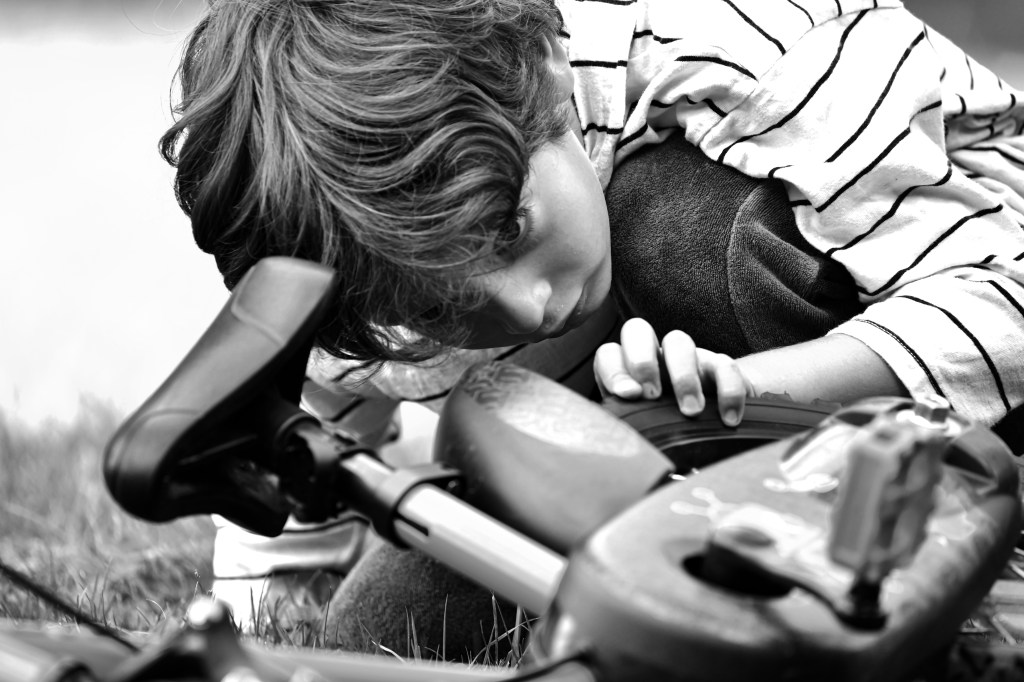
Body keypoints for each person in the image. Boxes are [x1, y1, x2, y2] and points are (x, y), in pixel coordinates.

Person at [159, 0, 1024, 656]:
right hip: (649, 444)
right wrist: (250, 621)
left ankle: (943, 582)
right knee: (381, 631)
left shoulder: (748, 49)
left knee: (662, 228)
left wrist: (744, 392)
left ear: (545, 76)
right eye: (438, 308)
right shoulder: (367, 289)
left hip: (953, 391)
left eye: (513, 230)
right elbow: (305, 440)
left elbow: (1004, 302)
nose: (527, 308)